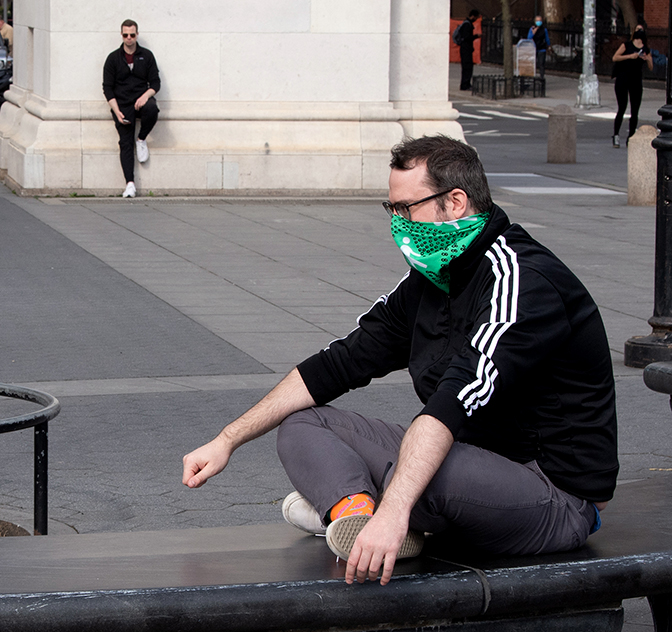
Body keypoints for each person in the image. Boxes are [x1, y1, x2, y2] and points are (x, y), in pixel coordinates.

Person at [181, 136, 617, 587]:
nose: (398, 224)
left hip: (555, 497)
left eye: (407, 208)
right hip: (471, 464)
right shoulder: (433, 278)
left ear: (455, 202)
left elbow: (454, 400)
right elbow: (338, 363)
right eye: (392, 210)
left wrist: (395, 509)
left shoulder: (520, 280)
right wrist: (227, 439)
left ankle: (367, 507)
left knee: (428, 468)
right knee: (302, 422)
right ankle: (353, 513)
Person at [102, 19, 159, 199]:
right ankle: (130, 184)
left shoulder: (146, 56)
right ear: (121, 35)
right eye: (125, 35)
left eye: (132, 35)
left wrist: (145, 96)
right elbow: (107, 88)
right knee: (125, 142)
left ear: (137, 35)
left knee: (152, 109)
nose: (129, 38)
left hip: (140, 101)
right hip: (122, 104)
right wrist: (116, 110)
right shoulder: (113, 58)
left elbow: (156, 83)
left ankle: (141, 139)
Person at [612, 25, 653, 148]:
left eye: (641, 30)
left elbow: (651, 67)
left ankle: (631, 137)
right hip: (623, 79)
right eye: (637, 30)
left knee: (634, 111)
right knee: (622, 107)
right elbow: (615, 57)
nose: (639, 32)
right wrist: (630, 56)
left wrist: (647, 59)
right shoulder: (626, 45)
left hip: (636, 81)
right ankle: (616, 135)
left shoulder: (646, 49)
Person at [455, 10, 480, 91]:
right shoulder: (467, 25)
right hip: (466, 49)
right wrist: (476, 36)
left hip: (465, 49)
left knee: (467, 67)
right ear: (473, 16)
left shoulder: (466, 23)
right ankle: (465, 85)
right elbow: (467, 38)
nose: (476, 19)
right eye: (476, 17)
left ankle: (465, 84)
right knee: (467, 67)